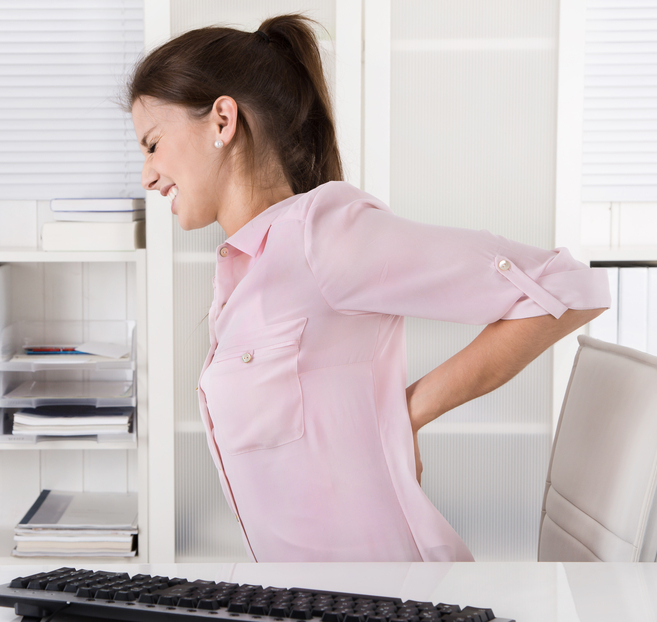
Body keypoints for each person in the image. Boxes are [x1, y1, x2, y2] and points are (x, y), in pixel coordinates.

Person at [125, 14, 609, 562]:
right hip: (312, 613)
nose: (146, 175)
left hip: (389, 610)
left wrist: (408, 412)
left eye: (153, 144)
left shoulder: (323, 236)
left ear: (221, 120)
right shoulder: (245, 267)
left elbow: (569, 288)